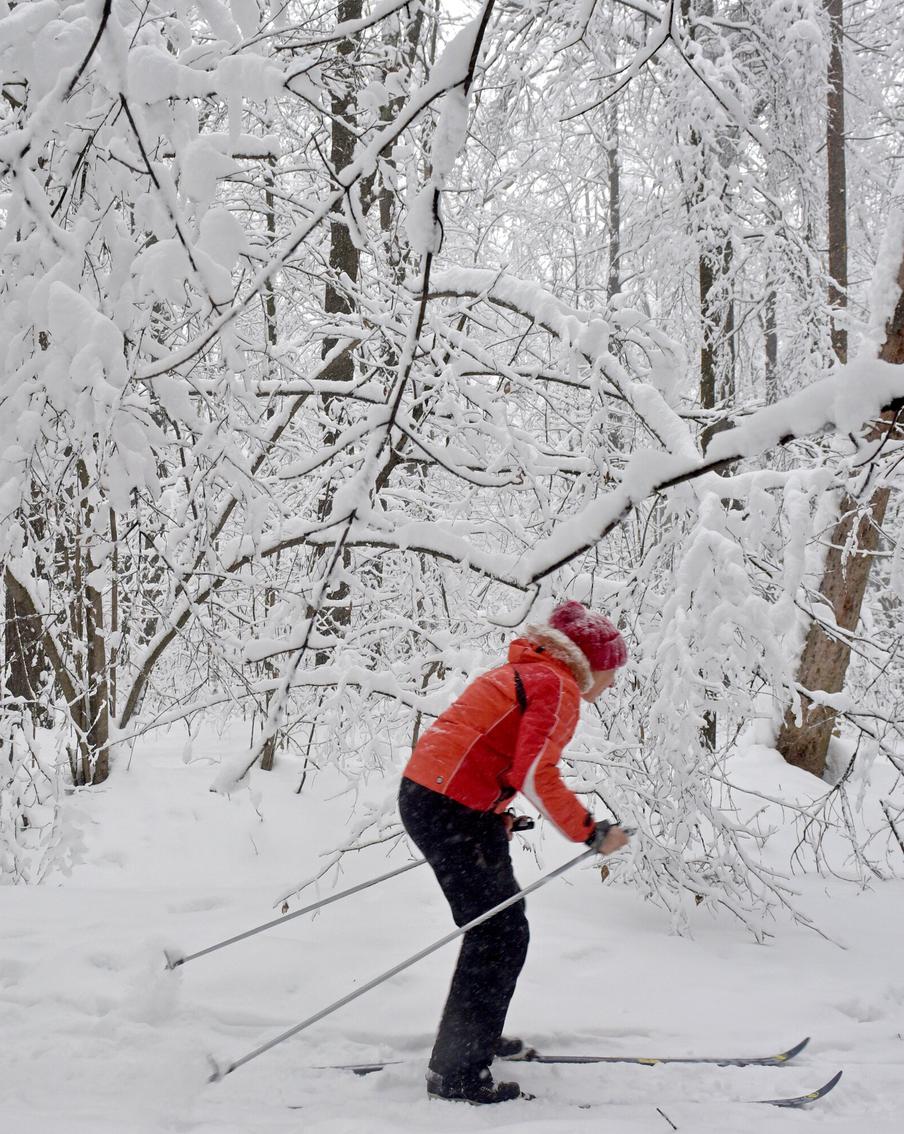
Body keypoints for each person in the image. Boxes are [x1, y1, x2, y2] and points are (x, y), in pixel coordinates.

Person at [398, 600, 631, 1104]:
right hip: (449, 807)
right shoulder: (557, 686)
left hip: (442, 801)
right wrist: (590, 831)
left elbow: (484, 749)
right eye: (612, 672)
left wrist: (493, 812)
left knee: (500, 928)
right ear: (591, 663)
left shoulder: (528, 671)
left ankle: (471, 1040)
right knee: (498, 933)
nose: (611, 686)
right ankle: (458, 1071)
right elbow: (533, 772)